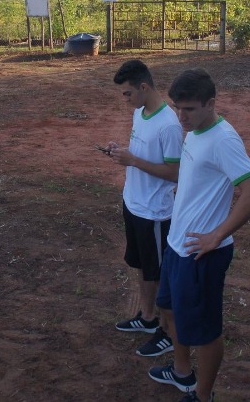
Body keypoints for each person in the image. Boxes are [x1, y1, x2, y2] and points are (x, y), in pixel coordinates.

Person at [148, 69, 250, 402]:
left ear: (210, 103)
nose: (181, 116)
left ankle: (203, 395)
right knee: (170, 310)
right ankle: (182, 372)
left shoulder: (223, 139)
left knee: (205, 331)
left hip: (201, 253)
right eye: (177, 108)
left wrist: (217, 235)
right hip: (178, 243)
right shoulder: (196, 130)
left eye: (189, 109)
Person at [108, 59, 183, 358]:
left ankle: (167, 331)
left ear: (144, 87)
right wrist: (121, 152)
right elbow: (141, 153)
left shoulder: (170, 125)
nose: (125, 100)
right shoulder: (141, 113)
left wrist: (133, 161)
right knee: (143, 267)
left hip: (155, 212)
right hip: (134, 203)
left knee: (160, 273)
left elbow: (175, 173)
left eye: (127, 94)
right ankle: (148, 317)